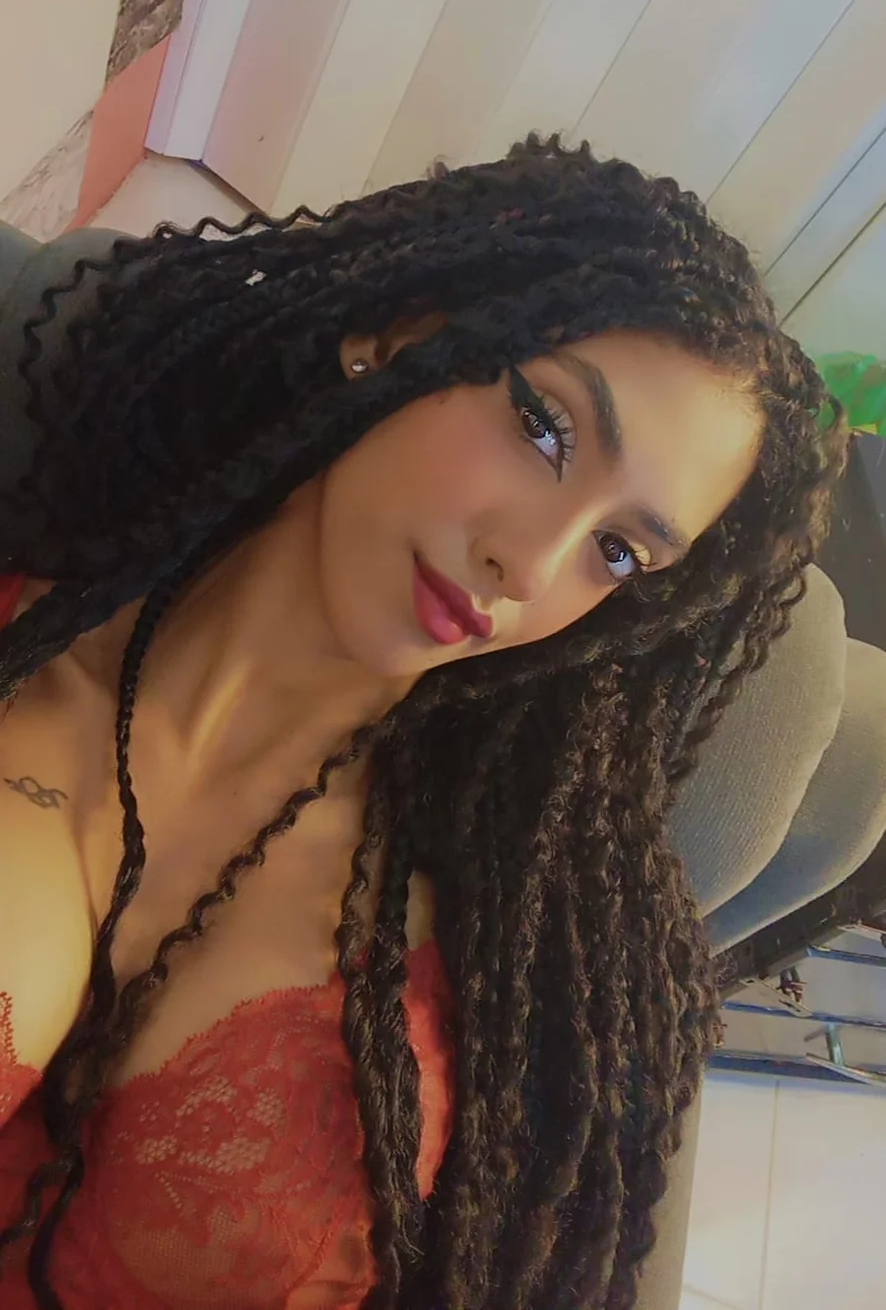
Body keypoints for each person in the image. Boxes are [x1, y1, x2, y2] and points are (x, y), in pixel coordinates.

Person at [0, 134, 844, 1310]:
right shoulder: (28, 646)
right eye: (545, 428)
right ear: (394, 333)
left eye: (616, 551)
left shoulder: (482, 965)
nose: (528, 564)